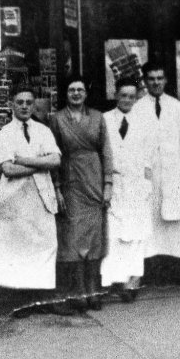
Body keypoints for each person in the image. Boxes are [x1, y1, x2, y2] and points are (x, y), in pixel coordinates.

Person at [0, 87, 64, 305]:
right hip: (16, 197)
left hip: (41, 194)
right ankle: (22, 302)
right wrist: (39, 165)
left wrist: (24, 160)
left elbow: (56, 161)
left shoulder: (43, 131)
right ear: (12, 105)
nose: (24, 106)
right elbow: (8, 170)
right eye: (20, 102)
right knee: (20, 246)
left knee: (46, 243)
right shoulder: (5, 133)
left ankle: (43, 300)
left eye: (29, 102)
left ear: (34, 105)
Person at [49, 76, 116, 311]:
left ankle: (93, 290)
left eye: (80, 89)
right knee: (74, 238)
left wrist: (108, 183)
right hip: (70, 180)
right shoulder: (56, 119)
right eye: (71, 90)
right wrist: (57, 188)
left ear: (86, 93)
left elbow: (106, 151)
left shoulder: (97, 117)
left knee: (95, 237)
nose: (76, 93)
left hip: (94, 179)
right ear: (66, 94)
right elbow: (53, 155)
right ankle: (77, 292)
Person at [132, 62, 180, 265]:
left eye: (160, 78)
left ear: (166, 80)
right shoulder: (136, 108)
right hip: (148, 173)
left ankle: (176, 266)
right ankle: (151, 267)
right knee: (150, 219)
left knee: (175, 222)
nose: (156, 82)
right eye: (151, 79)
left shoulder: (178, 107)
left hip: (173, 171)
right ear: (145, 81)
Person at [101, 77, 155, 302]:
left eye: (132, 96)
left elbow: (149, 157)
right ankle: (116, 280)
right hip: (114, 182)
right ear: (116, 95)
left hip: (137, 185)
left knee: (135, 235)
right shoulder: (104, 119)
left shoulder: (144, 121)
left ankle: (133, 281)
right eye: (123, 95)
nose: (127, 100)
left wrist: (147, 186)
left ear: (137, 97)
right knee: (114, 233)